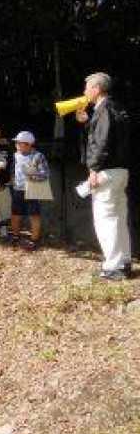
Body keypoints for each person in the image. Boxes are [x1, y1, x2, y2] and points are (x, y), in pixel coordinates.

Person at [76, 72, 132, 280]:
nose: (84, 92)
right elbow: (105, 138)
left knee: (105, 220)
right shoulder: (116, 108)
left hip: (106, 172)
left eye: (87, 87)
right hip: (121, 170)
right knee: (118, 218)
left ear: (97, 89)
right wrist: (86, 123)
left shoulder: (104, 109)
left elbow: (102, 143)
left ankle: (113, 266)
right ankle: (124, 261)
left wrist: (93, 169)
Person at [9, 131, 50, 250]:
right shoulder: (15, 155)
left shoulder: (38, 156)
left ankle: (34, 239)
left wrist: (33, 176)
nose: (16, 144)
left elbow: (45, 173)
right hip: (17, 189)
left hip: (33, 188)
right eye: (16, 142)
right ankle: (16, 236)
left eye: (19, 142)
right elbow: (12, 171)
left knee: (34, 215)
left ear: (28, 144)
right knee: (15, 214)